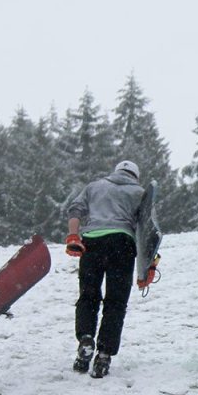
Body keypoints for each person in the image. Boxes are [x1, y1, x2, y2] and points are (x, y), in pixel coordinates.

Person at [65, 160, 146, 378]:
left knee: (88, 295)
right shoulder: (140, 193)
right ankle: (103, 355)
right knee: (116, 301)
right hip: (122, 243)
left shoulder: (95, 186)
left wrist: (73, 235)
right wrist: (147, 266)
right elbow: (147, 228)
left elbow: (75, 209)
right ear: (135, 176)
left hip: (92, 242)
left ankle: (85, 338)